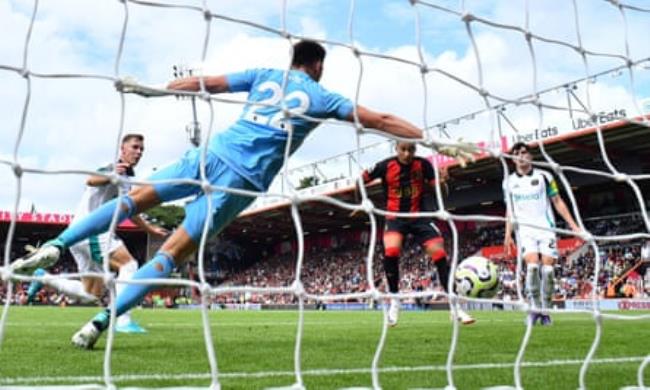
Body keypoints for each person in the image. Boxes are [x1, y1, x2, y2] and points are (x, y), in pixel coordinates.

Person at [9, 40, 475, 349]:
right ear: (318, 66)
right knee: (171, 256)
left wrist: (156, 90)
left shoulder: (264, 74)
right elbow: (380, 119)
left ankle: (54, 247)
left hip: (208, 156)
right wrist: (431, 139)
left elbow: (205, 84)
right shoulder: (324, 98)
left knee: (129, 202)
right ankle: (99, 325)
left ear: (292, 60)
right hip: (236, 185)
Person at [22, 133, 168, 333]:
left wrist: (149, 229)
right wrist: (110, 175)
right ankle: (123, 320)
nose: (139, 152)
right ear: (122, 149)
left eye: (141, 149)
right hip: (91, 231)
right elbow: (91, 180)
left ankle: (44, 278)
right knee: (129, 264)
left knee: (91, 294)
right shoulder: (111, 168)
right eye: (135, 147)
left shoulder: (125, 178)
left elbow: (130, 210)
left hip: (77, 234)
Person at [357, 141, 474, 326]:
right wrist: (362, 201)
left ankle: (455, 306)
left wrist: (444, 183)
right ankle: (395, 301)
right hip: (395, 218)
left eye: (411, 149)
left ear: (415, 150)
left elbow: (441, 192)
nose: (407, 153)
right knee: (391, 251)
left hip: (420, 217)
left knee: (440, 255)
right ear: (396, 149)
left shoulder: (424, 165)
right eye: (403, 149)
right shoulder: (384, 166)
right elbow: (360, 181)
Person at [503, 142, 581, 326]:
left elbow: (557, 201)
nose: (521, 156)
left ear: (530, 156)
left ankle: (545, 311)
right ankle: (535, 309)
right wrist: (508, 234)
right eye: (516, 154)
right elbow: (510, 210)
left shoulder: (545, 176)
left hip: (546, 228)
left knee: (548, 270)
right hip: (525, 230)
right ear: (513, 159)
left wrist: (574, 226)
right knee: (532, 267)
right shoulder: (508, 182)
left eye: (524, 152)